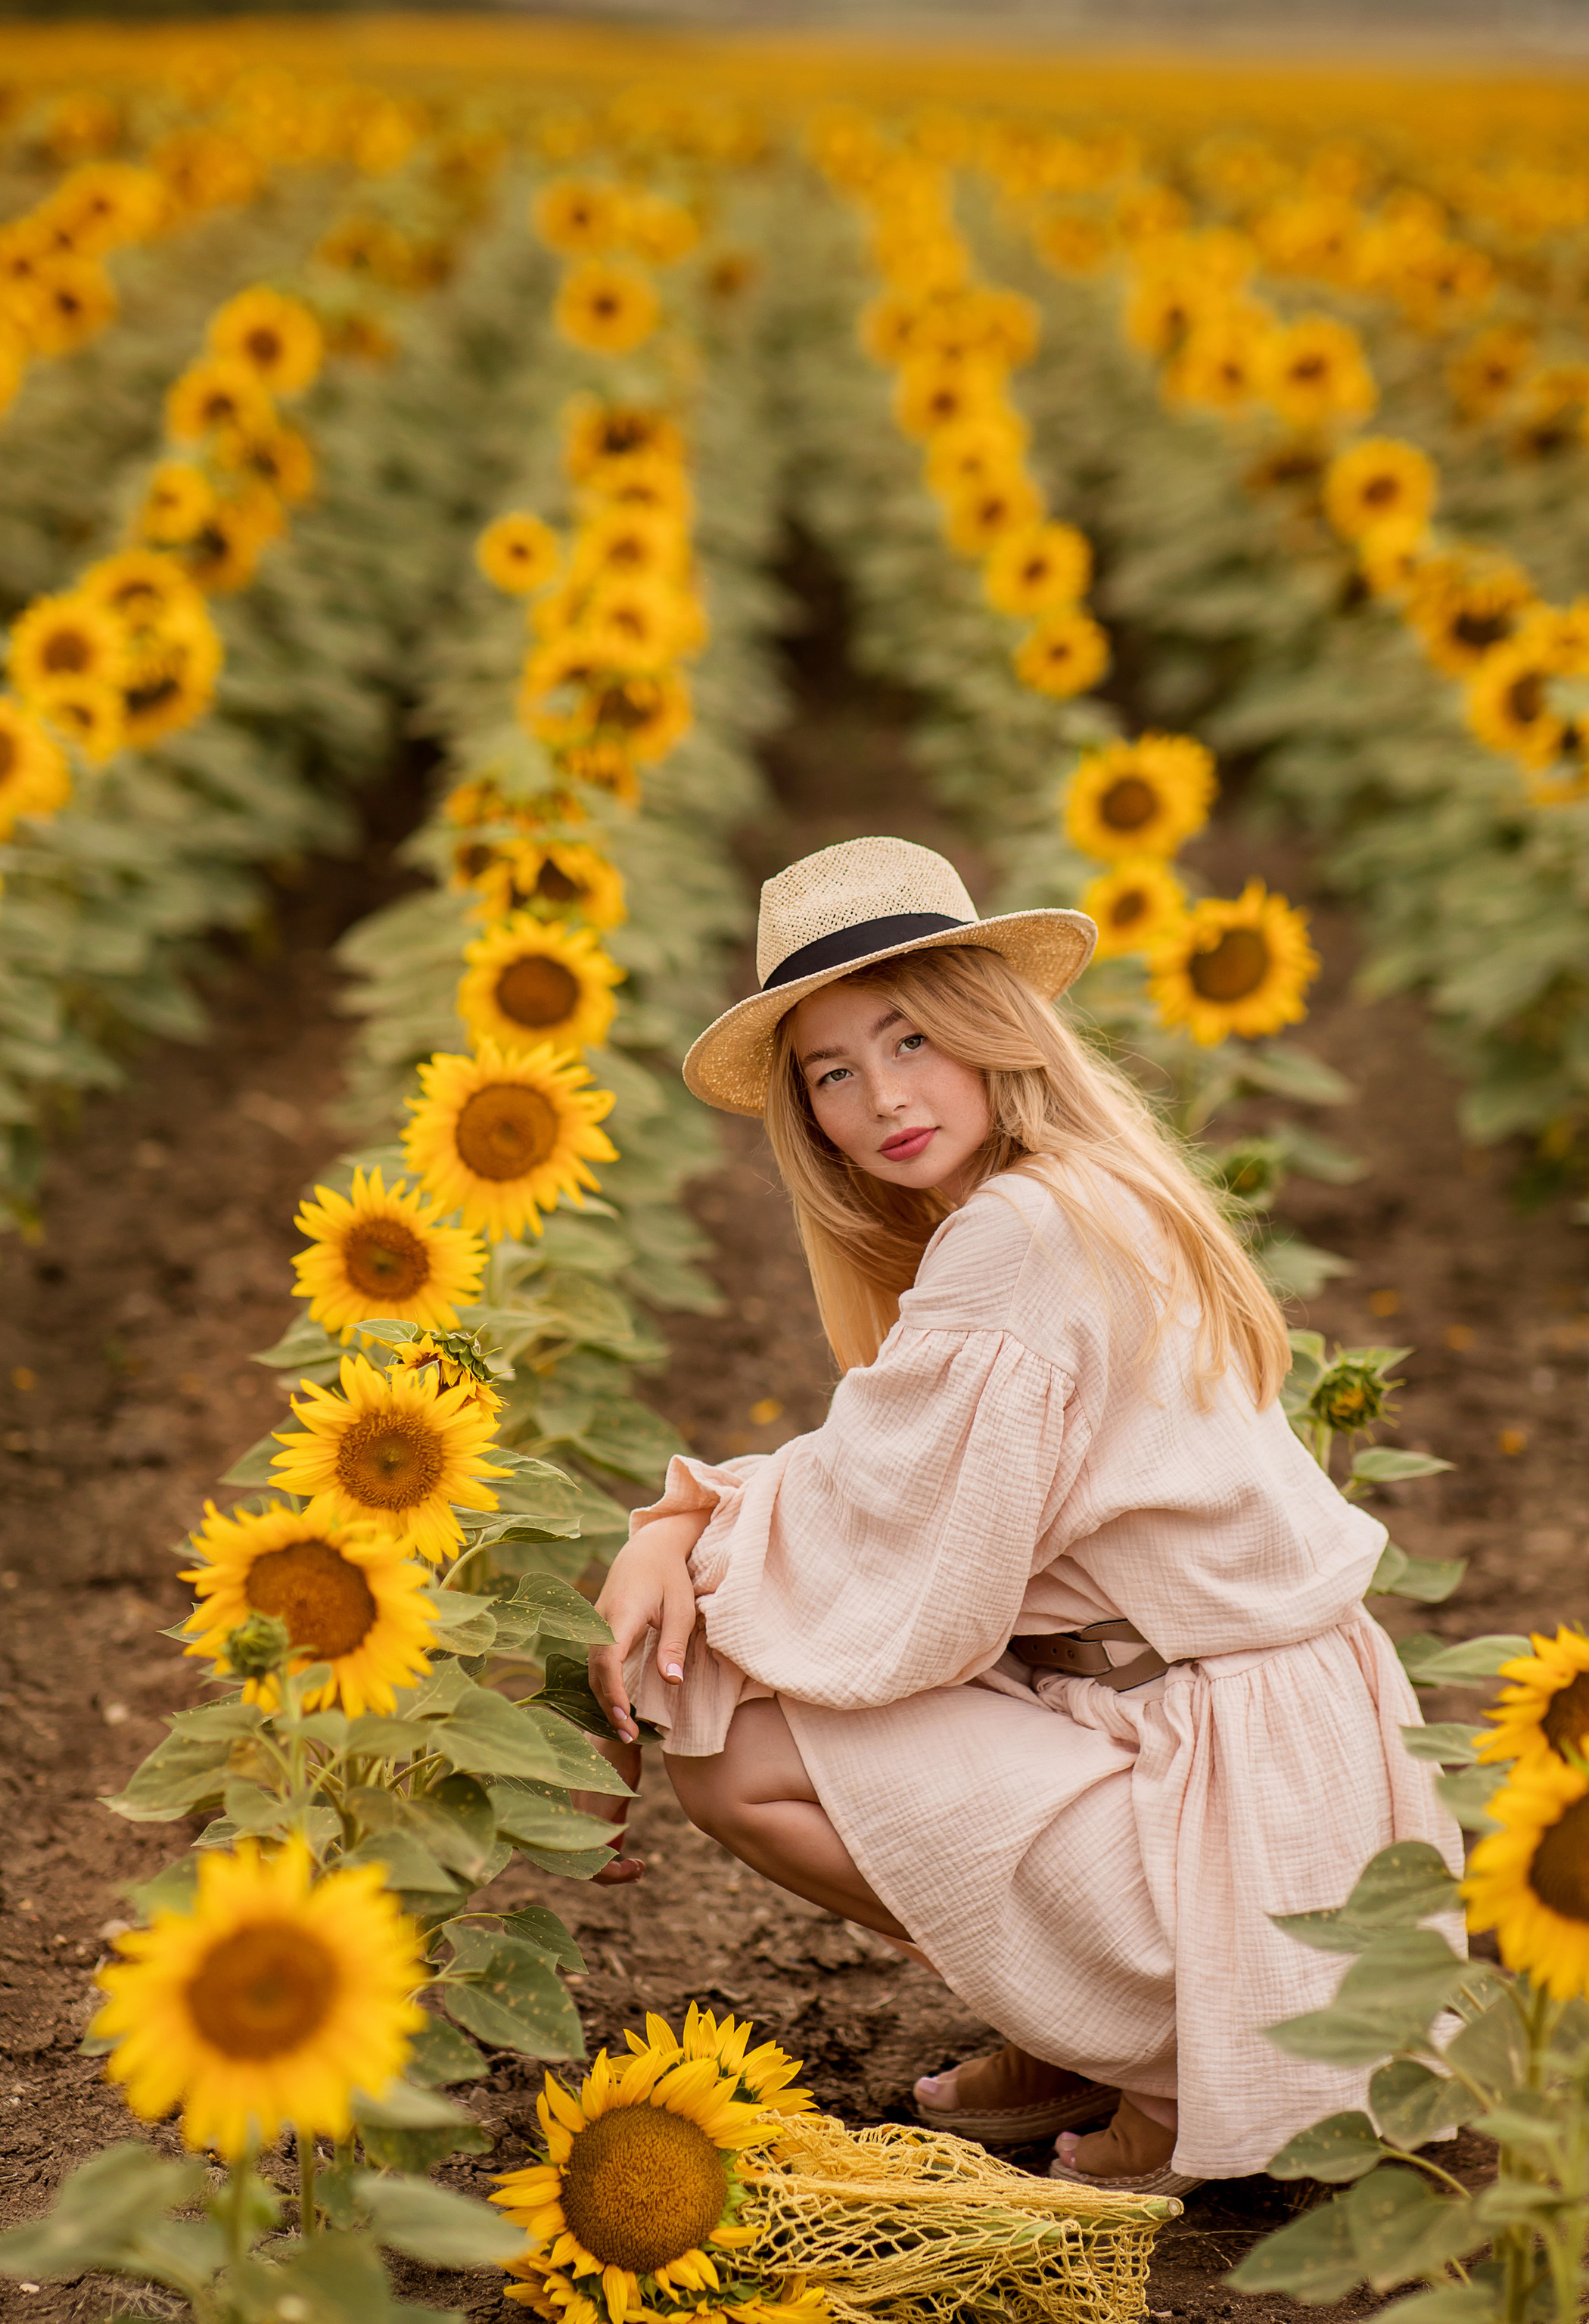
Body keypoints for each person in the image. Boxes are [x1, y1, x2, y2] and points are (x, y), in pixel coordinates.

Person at [586, 836, 1461, 2192]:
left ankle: (1156, 2056)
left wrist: (674, 1534)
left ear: (994, 1029)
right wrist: (684, 1518)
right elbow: (883, 1472)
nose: (882, 1099)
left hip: (1222, 1788)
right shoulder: (1074, 1195)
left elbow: (902, 1554)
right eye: (832, 1072)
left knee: (732, 1751)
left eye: (912, 1038)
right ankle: (1080, 2030)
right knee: (778, 1705)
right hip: (1247, 1740)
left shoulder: (1019, 1235)